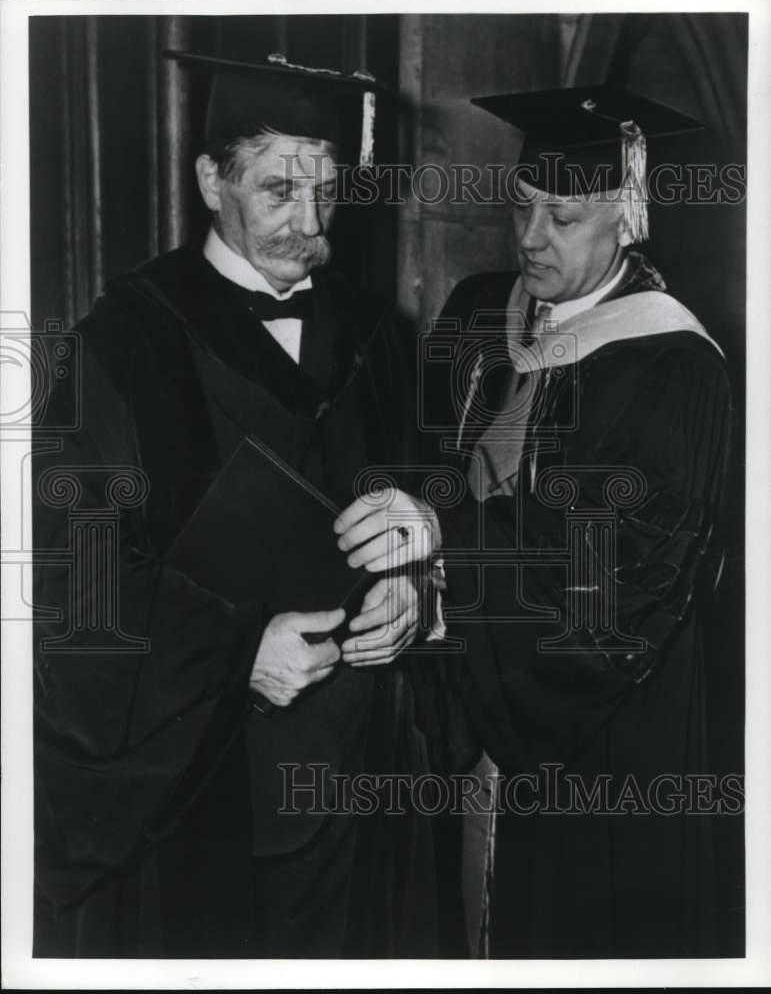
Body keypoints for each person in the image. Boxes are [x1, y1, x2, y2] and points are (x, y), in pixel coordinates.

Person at [32, 52, 438, 958]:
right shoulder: (127, 342)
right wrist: (237, 653)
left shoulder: (379, 339)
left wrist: (420, 583)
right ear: (209, 179)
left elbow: (424, 501)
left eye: (327, 191)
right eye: (276, 190)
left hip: (359, 780)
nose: (307, 222)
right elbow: (77, 579)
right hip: (200, 780)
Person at [335, 85, 735, 958]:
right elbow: (426, 467)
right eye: (521, 208)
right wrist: (408, 569)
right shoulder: (482, 314)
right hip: (469, 682)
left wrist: (443, 544)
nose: (529, 238)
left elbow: (616, 571)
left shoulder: (672, 366)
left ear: (627, 220)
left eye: (563, 217)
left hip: (599, 730)